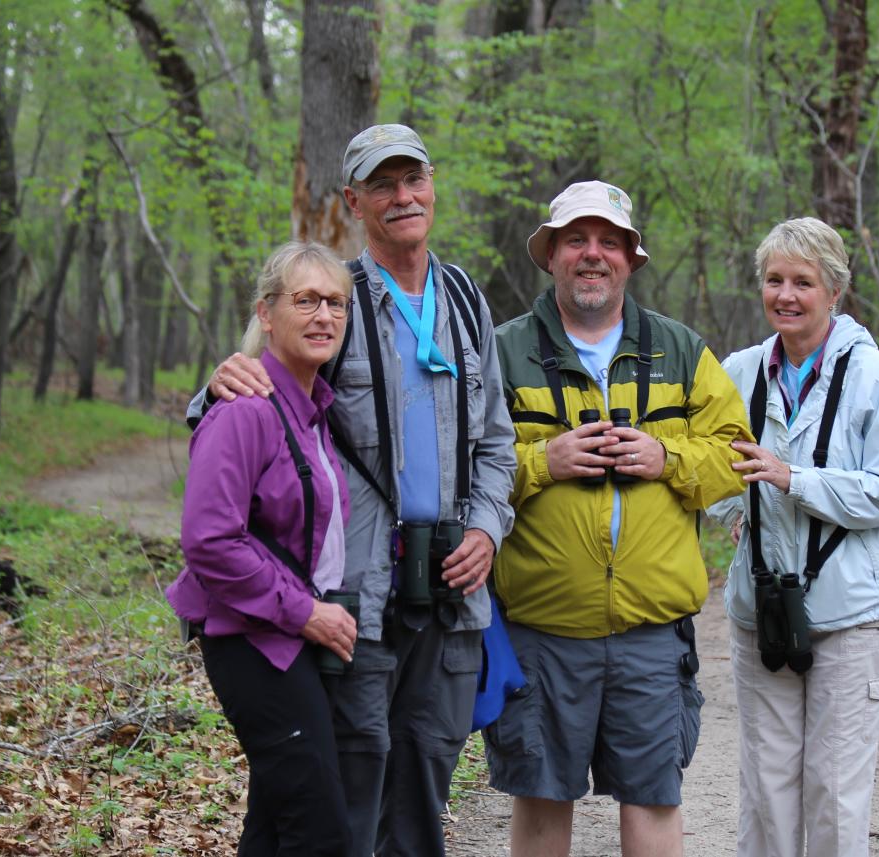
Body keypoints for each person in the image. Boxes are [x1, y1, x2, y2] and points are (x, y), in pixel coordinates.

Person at [190, 124, 516, 857]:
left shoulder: (465, 298)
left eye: (414, 180)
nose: (403, 198)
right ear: (354, 201)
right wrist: (216, 384)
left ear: (433, 186)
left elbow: (498, 440)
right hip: (358, 591)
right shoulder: (331, 299)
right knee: (353, 774)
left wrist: (486, 529)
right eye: (382, 186)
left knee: (429, 770)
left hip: (454, 589)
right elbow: (249, 382)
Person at [488, 181, 752, 857]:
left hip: (651, 631)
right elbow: (466, 466)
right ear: (550, 255)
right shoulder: (503, 351)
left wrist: (666, 456)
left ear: (631, 258)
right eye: (576, 240)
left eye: (609, 241)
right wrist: (544, 459)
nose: (593, 255)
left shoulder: (681, 348)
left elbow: (735, 454)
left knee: (654, 793)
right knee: (543, 794)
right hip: (543, 627)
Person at [709, 217, 879, 857]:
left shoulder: (877, 376)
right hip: (763, 611)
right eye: (775, 280)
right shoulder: (736, 373)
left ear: (835, 291)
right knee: (766, 789)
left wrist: (793, 479)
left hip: (856, 615)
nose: (786, 295)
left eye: (804, 282)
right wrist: (737, 506)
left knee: (834, 792)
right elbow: (712, 478)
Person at [168, 241, 358, 856]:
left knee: (276, 824)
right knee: (318, 829)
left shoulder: (312, 411)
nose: (323, 315)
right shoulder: (244, 412)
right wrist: (306, 612)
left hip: (290, 640)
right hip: (254, 642)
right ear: (267, 313)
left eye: (335, 303)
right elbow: (209, 540)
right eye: (305, 300)